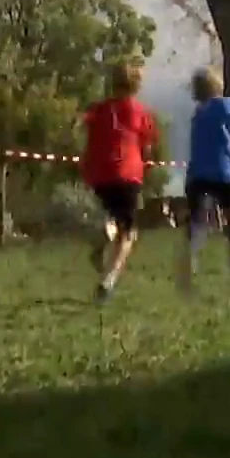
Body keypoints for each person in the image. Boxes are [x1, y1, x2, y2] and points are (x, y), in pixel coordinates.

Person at [179, 66, 230, 293]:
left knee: (197, 222)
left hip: (196, 176)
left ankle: (189, 259)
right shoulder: (225, 105)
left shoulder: (198, 114)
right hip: (223, 173)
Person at [80, 61, 157, 303]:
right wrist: (148, 161)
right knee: (129, 233)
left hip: (101, 175)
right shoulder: (140, 112)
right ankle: (109, 279)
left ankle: (105, 232)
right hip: (128, 173)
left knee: (114, 215)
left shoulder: (100, 110)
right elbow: (148, 145)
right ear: (137, 85)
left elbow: (87, 129)